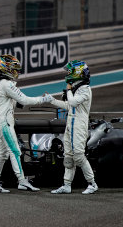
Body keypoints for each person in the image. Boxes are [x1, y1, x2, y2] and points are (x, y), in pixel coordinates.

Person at [0, 54, 52, 193]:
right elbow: (25, 100)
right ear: (5, 69)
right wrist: (44, 99)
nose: (16, 72)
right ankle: (22, 181)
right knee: (15, 151)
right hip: (4, 122)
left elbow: (11, 101)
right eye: (14, 69)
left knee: (2, 154)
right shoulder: (6, 84)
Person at [46, 60, 98, 195]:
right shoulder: (77, 89)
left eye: (70, 72)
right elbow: (69, 106)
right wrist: (51, 100)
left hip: (80, 124)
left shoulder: (85, 90)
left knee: (79, 155)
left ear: (78, 73)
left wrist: (68, 90)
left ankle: (92, 183)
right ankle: (66, 185)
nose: (68, 74)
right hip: (71, 123)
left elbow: (73, 102)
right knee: (68, 156)